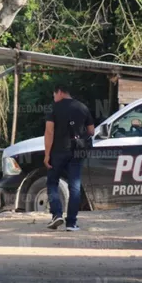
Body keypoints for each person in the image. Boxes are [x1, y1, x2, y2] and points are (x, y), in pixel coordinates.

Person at [43, 83, 94, 231]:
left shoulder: (54, 107)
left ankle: (57, 214)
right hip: (77, 152)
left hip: (58, 152)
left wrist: (47, 155)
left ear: (59, 92)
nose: (54, 97)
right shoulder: (82, 107)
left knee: (52, 182)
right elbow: (91, 131)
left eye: (54, 94)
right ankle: (71, 223)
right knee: (75, 187)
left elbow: (49, 132)